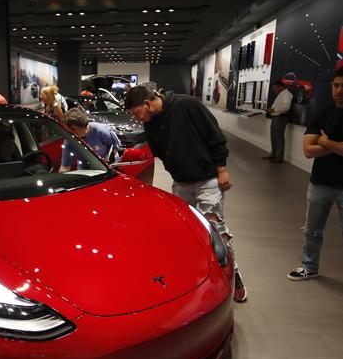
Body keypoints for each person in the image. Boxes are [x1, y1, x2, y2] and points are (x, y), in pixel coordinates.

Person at [124, 85, 247, 302]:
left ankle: (233, 274)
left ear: (147, 103)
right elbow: (159, 150)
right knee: (186, 233)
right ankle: (194, 277)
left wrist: (221, 169)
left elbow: (214, 135)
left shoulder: (186, 105)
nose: (137, 118)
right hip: (181, 184)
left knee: (216, 230)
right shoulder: (151, 123)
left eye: (136, 112)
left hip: (208, 180)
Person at [287, 68, 343, 280]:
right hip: (320, 183)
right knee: (312, 230)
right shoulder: (322, 112)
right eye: (336, 85)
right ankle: (309, 266)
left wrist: (325, 141)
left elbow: (316, 145)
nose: (339, 90)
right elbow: (308, 151)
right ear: (331, 86)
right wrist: (338, 146)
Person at [59, 107, 120, 172]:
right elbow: (65, 166)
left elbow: (116, 146)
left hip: (109, 168)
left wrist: (107, 163)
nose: (70, 132)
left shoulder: (100, 130)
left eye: (73, 129)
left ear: (83, 126)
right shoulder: (69, 141)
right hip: (86, 171)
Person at [266, 80, 293, 163]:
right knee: (273, 137)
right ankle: (273, 154)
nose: (274, 91)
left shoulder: (287, 94)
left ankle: (279, 158)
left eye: (275, 88)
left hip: (280, 118)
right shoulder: (281, 94)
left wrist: (273, 109)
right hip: (276, 117)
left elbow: (286, 107)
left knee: (278, 138)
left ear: (280, 87)